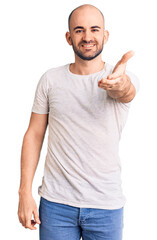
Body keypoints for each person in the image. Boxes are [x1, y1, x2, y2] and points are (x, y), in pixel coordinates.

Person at [17, 3, 140, 240]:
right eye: (79, 30)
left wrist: (119, 85)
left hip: (106, 205)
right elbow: (34, 134)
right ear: (68, 37)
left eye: (95, 29)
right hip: (56, 205)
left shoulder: (121, 77)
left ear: (105, 35)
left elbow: (126, 92)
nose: (87, 37)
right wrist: (24, 192)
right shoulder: (50, 80)